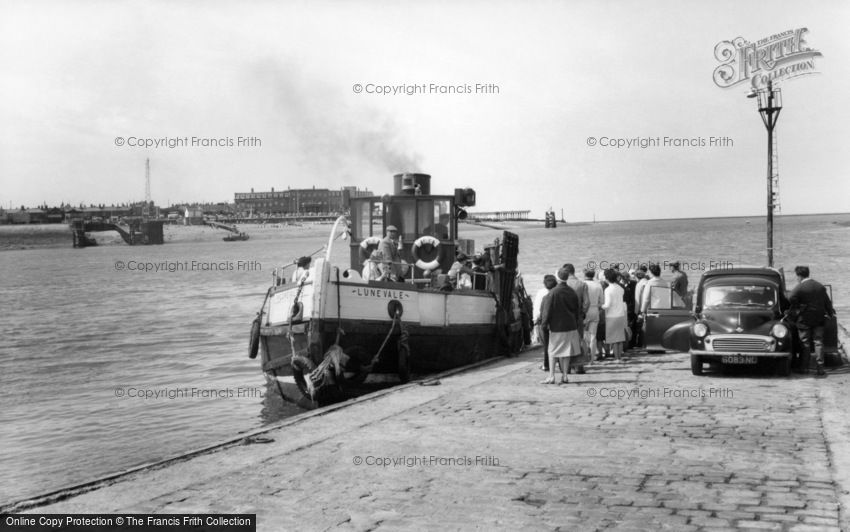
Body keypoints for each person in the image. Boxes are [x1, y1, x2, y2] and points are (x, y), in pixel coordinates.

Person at [788, 266, 836, 377]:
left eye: (797, 277)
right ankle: (820, 368)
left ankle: (804, 368)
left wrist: (798, 306)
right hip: (819, 319)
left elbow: (791, 297)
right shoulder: (820, 286)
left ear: (799, 276)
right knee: (818, 342)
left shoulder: (800, 287)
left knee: (805, 343)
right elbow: (827, 302)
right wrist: (829, 313)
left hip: (804, 319)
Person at [540, 267, 581, 384]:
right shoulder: (572, 292)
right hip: (571, 325)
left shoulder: (553, 293)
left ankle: (552, 376)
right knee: (566, 352)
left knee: (552, 351)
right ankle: (564, 376)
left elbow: (546, 312)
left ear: (557, 277)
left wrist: (544, 325)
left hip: (557, 326)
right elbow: (577, 310)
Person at [562, 263, 590, 373]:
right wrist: (582, 313)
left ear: (566, 272)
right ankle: (579, 366)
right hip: (577, 316)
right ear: (573, 271)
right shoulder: (582, 284)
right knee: (578, 340)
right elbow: (587, 303)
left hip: (564, 317)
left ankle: (567, 367)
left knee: (566, 342)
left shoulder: (562, 284)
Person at [533, 274, 558, 371]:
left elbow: (537, 308)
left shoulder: (541, 293)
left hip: (544, 323)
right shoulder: (557, 292)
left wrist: (535, 320)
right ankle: (560, 364)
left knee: (547, 345)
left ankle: (546, 365)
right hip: (557, 323)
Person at [602, 268, 627, 363]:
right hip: (620, 314)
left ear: (607, 278)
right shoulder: (620, 288)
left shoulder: (608, 290)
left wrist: (600, 306)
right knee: (619, 338)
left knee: (614, 338)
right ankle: (619, 357)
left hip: (611, 316)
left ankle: (616, 358)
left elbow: (607, 305)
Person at [583, 268, 604, 365]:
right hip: (595, 310)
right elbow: (602, 302)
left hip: (585, 311)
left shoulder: (582, 284)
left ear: (584, 275)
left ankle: (585, 357)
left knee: (584, 336)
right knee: (593, 336)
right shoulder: (598, 285)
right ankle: (592, 359)